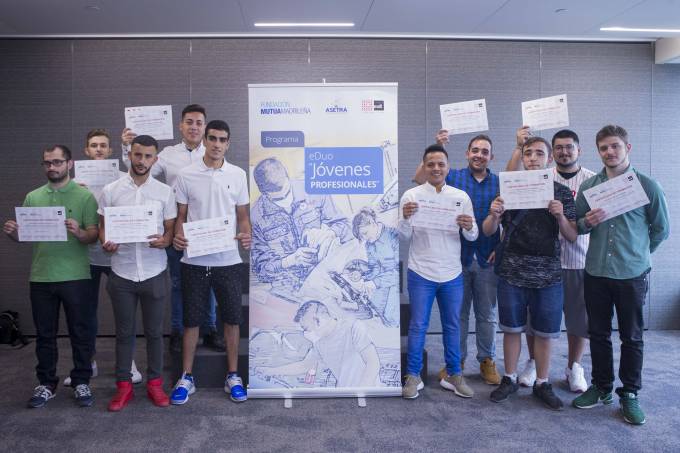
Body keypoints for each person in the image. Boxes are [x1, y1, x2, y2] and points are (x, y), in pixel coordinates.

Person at [572, 125, 669, 425]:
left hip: (631, 273)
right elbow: (577, 225)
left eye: (615, 146)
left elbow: (661, 229)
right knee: (598, 334)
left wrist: (639, 254)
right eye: (604, 148)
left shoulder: (647, 185)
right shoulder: (590, 187)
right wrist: (587, 222)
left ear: (627, 148)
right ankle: (601, 387)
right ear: (599, 151)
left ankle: (629, 392)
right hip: (596, 271)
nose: (609, 152)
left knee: (632, 336)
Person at [483, 136, 577, 410]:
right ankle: (510, 378)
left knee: (545, 332)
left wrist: (560, 216)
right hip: (512, 272)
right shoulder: (508, 189)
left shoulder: (561, 192)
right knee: (511, 329)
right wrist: (494, 215)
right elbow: (489, 230)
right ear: (522, 157)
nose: (533, 158)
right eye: (528, 153)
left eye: (539, 153)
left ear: (549, 159)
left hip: (548, 275)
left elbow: (572, 236)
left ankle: (542, 382)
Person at [3, 145, 99, 408]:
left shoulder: (84, 196)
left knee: (80, 332)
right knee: (45, 334)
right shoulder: (33, 196)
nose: (52, 167)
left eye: (57, 162)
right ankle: (46, 383)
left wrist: (79, 232)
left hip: (76, 276)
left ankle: (81, 381)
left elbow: (93, 236)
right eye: (47, 163)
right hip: (41, 276)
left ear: (69, 164)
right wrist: (14, 233)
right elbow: (25, 236)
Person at [121, 104, 221, 353]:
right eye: (189, 122)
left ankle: (210, 328)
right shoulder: (168, 154)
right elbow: (140, 170)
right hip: (176, 226)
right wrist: (127, 147)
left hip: (205, 227)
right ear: (180, 125)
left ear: (204, 127)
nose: (194, 127)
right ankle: (177, 330)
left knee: (208, 281)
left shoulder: (212, 152)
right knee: (177, 283)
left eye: (199, 122)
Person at [506, 127, 595, 392]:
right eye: (559, 148)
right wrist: (518, 145)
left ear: (579, 150)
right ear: (552, 154)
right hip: (540, 264)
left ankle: (574, 367)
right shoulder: (539, 176)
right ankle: (533, 363)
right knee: (534, 320)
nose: (564, 152)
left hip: (578, 259)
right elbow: (509, 184)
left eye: (569, 147)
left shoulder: (591, 181)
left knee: (578, 320)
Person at [170, 120, 252, 404]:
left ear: (228, 144)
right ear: (204, 140)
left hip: (228, 260)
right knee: (191, 320)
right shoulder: (186, 174)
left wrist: (246, 234)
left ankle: (233, 376)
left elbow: (242, 216)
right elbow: (181, 216)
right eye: (213, 138)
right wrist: (178, 236)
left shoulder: (238, 174)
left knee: (231, 319)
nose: (217, 144)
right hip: (193, 260)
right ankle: (186, 377)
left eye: (222, 140)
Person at [416, 131, 502, 385]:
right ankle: (457, 361)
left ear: (491, 157)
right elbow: (419, 178)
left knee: (487, 315)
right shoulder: (452, 176)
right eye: (475, 150)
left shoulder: (499, 183)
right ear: (467, 154)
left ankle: (487, 360)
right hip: (456, 257)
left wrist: (502, 247)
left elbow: (508, 218)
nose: (479, 155)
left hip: (487, 257)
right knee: (458, 316)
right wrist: (438, 145)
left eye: (484, 152)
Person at [98, 135, 176, 411]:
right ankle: (124, 386)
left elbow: (170, 230)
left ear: (155, 159)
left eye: (148, 156)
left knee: (155, 333)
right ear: (130, 154)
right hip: (122, 272)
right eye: (138, 155)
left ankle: (155, 384)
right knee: (124, 333)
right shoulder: (111, 190)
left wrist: (165, 240)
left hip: (155, 271)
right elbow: (103, 226)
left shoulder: (164, 192)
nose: (142, 161)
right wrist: (106, 242)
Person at [63, 129, 142, 387]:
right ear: (86, 150)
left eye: (103, 145)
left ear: (110, 150)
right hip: (86, 256)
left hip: (118, 255)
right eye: (94, 145)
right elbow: (66, 219)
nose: (99, 149)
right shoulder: (73, 183)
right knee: (84, 314)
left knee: (125, 314)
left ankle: (128, 364)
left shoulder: (124, 179)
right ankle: (88, 363)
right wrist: (75, 195)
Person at [400, 144, 478, 399]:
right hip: (420, 272)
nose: (436, 168)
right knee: (418, 325)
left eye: (441, 164)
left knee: (452, 325)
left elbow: (473, 235)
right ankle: (413, 376)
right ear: (424, 167)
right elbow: (403, 236)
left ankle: (454, 374)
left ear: (448, 167)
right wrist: (405, 218)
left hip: (451, 273)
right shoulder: (411, 196)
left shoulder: (460, 197)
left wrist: (469, 226)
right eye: (430, 164)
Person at [250, 157, 351, 299]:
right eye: (279, 199)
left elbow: (346, 226)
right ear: (264, 193)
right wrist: (288, 261)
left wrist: (330, 233)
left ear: (288, 177)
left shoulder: (314, 191)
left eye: (287, 192)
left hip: (325, 276)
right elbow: (260, 269)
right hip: (288, 289)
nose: (286, 201)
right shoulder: (256, 216)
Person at [256, 300, 381, 387]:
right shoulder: (320, 343)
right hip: (344, 393)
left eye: (306, 329)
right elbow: (304, 366)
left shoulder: (354, 327)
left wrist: (361, 391)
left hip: (369, 394)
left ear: (319, 320)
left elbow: (373, 363)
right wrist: (269, 371)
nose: (305, 334)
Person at [351, 208, 400, 327]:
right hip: (384, 280)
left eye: (365, 233)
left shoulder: (394, 236)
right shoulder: (369, 244)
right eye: (361, 236)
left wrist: (374, 282)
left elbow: (400, 271)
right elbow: (375, 268)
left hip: (399, 281)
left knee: (390, 316)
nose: (364, 238)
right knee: (375, 306)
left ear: (373, 223)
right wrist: (362, 276)